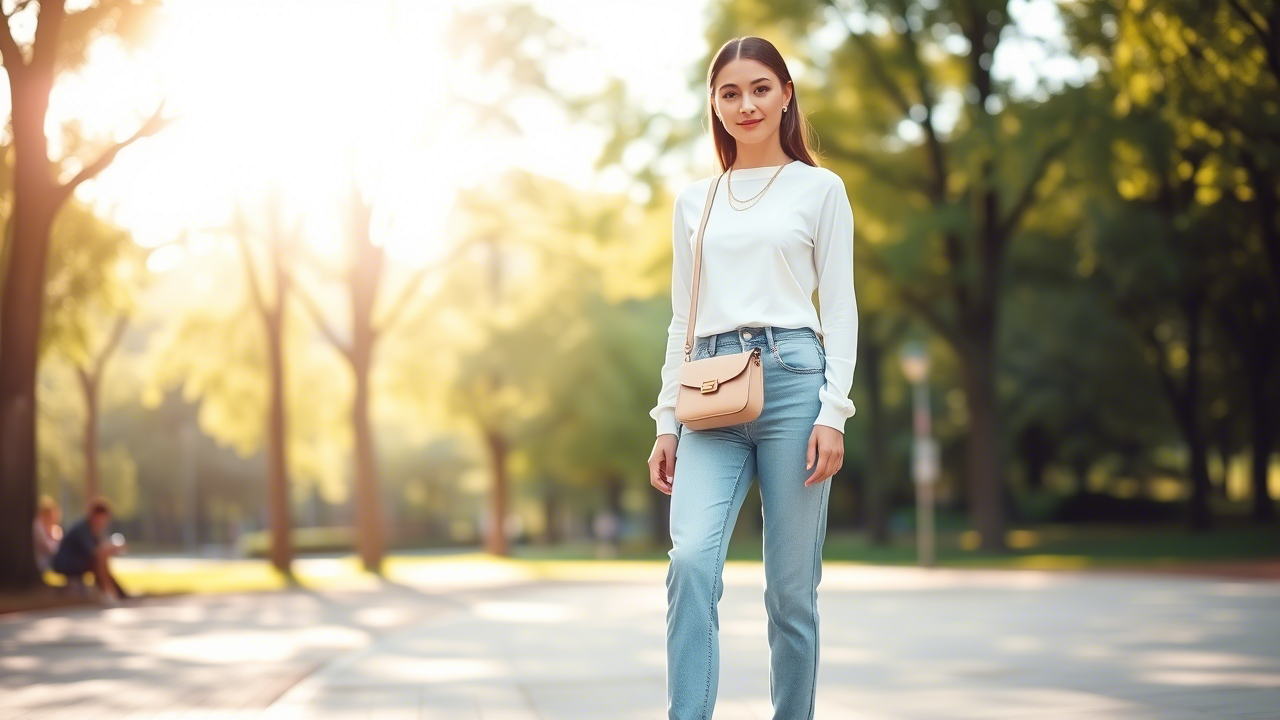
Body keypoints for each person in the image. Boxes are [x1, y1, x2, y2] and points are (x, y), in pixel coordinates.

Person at [646, 36, 857, 720]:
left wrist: (833, 412)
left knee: (790, 593)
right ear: (714, 104)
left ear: (786, 94)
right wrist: (666, 420)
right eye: (730, 93)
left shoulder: (820, 189)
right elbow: (683, 318)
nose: (747, 105)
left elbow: (840, 307)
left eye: (761, 88)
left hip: (795, 383)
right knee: (690, 563)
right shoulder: (695, 201)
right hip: (710, 390)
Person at [50, 496, 131, 604]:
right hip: (66, 563)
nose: (103, 521)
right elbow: (94, 552)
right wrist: (111, 547)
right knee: (99, 560)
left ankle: (115, 593)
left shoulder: (93, 530)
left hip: (76, 561)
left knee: (101, 560)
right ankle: (110, 593)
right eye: (102, 518)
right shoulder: (82, 529)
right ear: (95, 515)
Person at [33, 494, 64, 575]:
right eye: (49, 513)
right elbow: (50, 549)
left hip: (53, 563)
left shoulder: (56, 529)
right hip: (41, 565)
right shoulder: (37, 526)